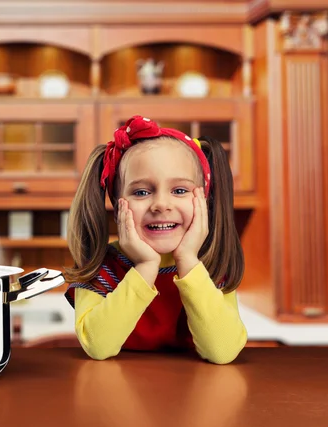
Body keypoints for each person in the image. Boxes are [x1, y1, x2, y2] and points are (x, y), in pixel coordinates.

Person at [64, 115, 247, 364]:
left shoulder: (211, 263)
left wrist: (188, 260)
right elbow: (98, 346)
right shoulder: (100, 266)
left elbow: (222, 352)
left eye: (179, 190)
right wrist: (146, 266)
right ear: (118, 206)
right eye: (141, 192)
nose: (161, 204)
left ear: (203, 200)